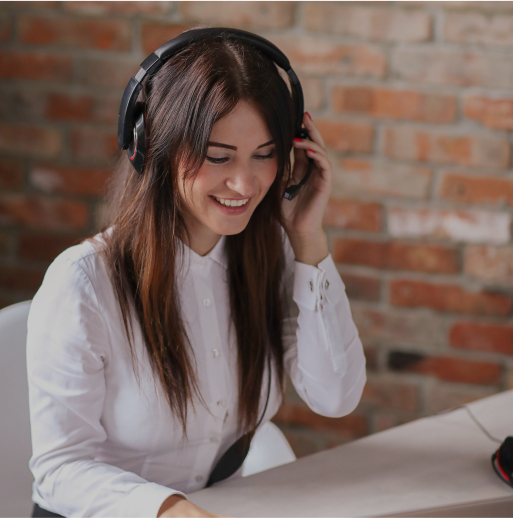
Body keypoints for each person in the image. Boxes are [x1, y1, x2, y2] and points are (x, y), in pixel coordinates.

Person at [26, 28, 367, 518]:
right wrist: (170, 510)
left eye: (265, 154)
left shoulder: (273, 256)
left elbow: (335, 396)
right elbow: (59, 469)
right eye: (218, 156)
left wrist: (308, 240)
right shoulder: (83, 284)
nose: (244, 182)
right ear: (152, 149)